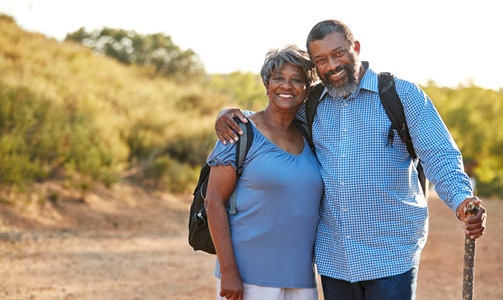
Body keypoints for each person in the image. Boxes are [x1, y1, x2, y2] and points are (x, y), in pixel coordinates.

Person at [214, 19, 487, 300]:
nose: (331, 65)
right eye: (321, 60)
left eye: (338, 53)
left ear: (355, 47)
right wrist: (232, 114)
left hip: (391, 255)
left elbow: (439, 154)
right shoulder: (311, 103)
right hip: (335, 259)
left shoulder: (401, 95)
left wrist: (461, 200)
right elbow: (274, 117)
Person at [205, 45, 323, 300]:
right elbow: (213, 202)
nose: (286, 86)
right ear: (267, 85)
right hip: (249, 278)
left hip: (302, 279)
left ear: (306, 90)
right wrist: (229, 272)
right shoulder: (239, 131)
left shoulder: (310, 135)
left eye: (296, 80)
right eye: (278, 78)